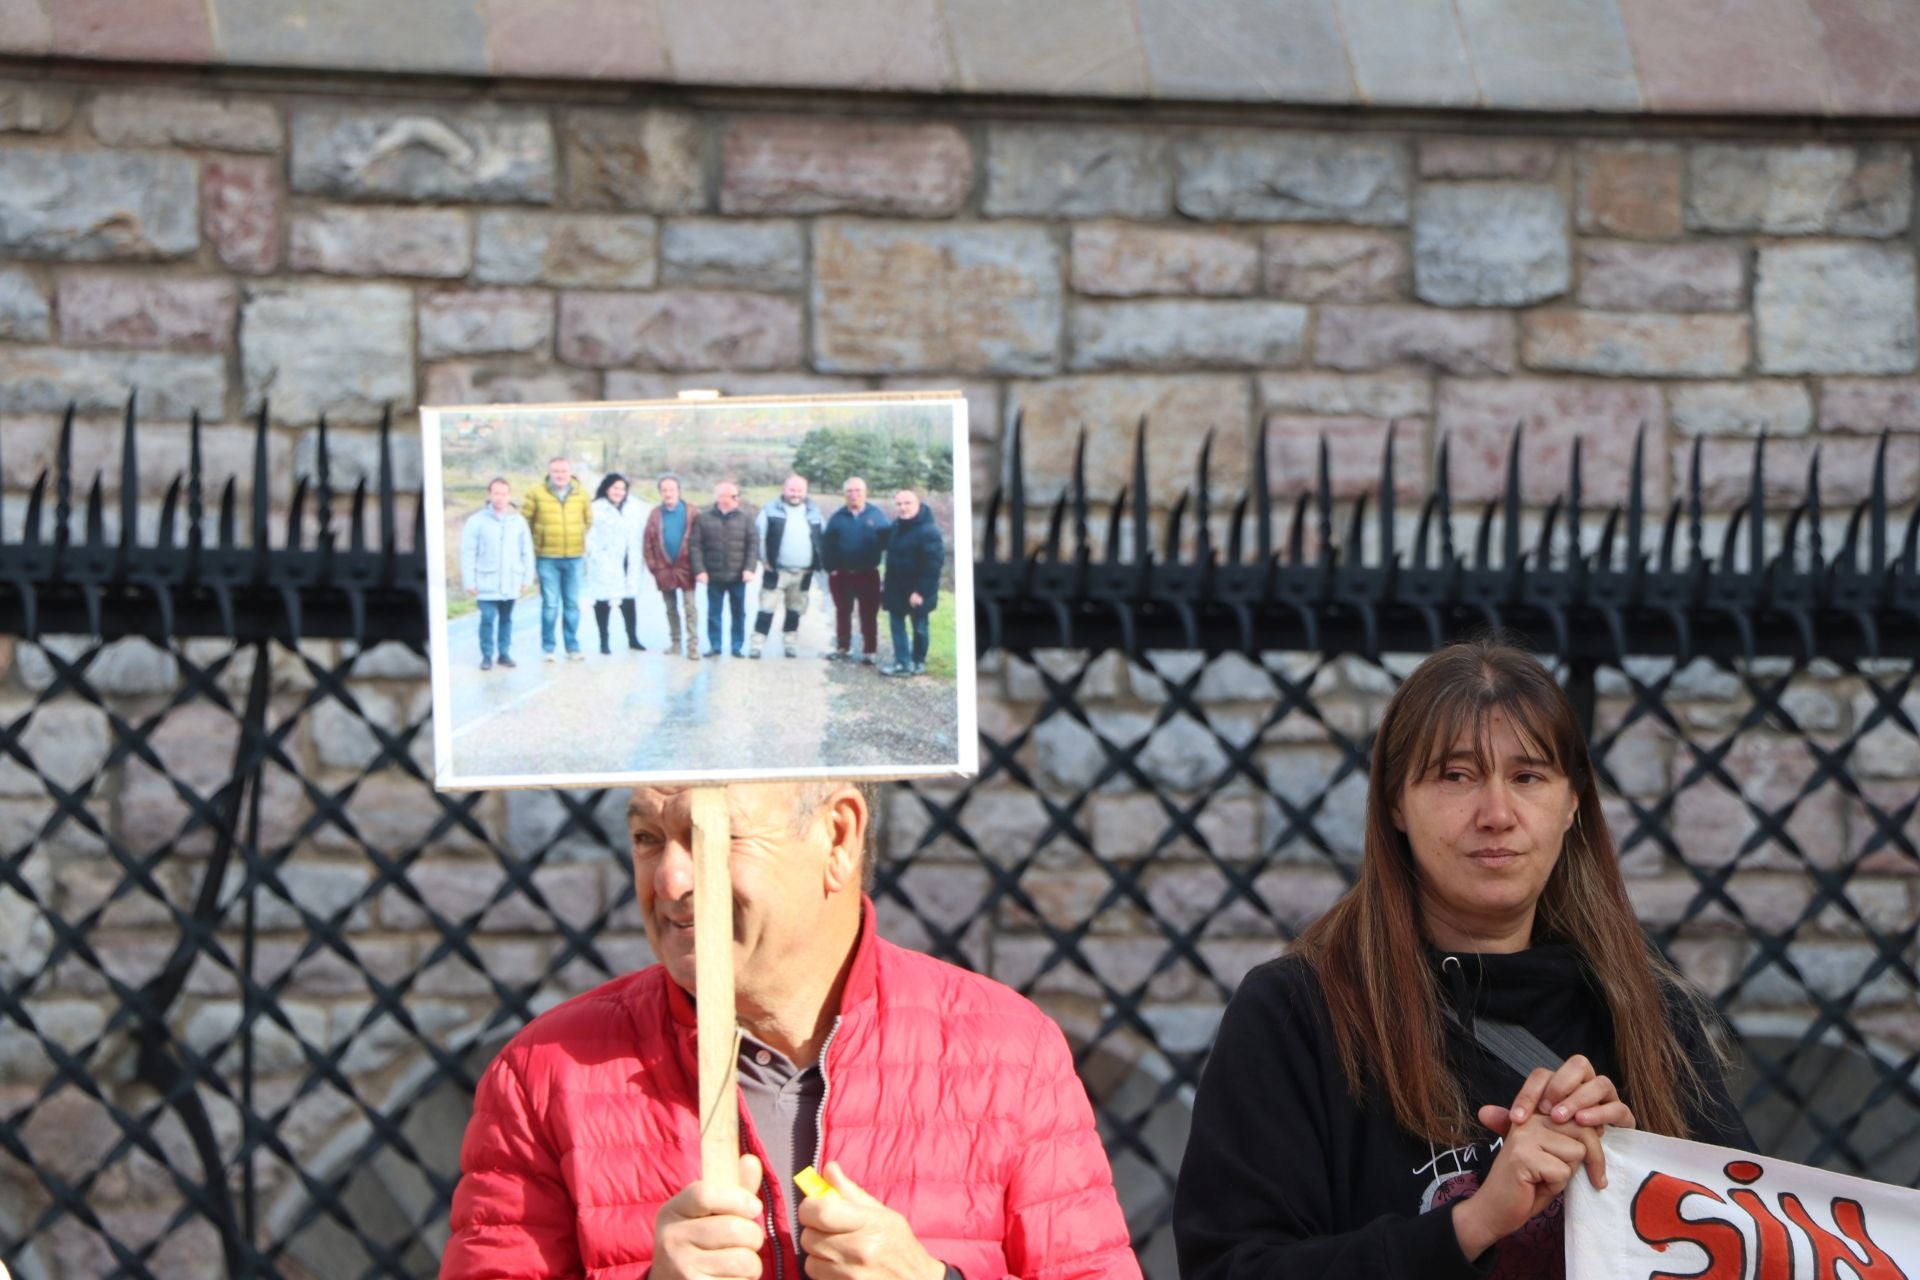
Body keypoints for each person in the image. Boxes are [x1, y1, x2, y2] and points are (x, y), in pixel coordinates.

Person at [1172, 640, 1754, 1280]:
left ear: (1572, 805)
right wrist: (1471, 1226)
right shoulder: (1298, 1014)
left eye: (1528, 776)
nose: (1497, 814)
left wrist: (1641, 1182)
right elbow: (1230, 1269)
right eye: (1456, 776)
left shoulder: (1647, 1015)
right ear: (1395, 802)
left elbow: (1757, 1251)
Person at [442, 780, 1144, 1280]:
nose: (670, 879)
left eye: (711, 834)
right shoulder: (545, 1075)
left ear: (837, 836)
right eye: (647, 839)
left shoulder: (1006, 1051)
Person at [520, 455, 592, 663]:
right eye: (556, 471)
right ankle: (548, 648)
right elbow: (525, 522)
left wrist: (576, 535)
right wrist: (538, 542)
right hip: (547, 558)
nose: (560, 475)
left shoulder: (581, 494)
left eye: (563, 471)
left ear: (570, 473)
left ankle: (572, 647)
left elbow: (588, 521)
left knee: (572, 604)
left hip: (574, 557)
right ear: (549, 473)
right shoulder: (535, 493)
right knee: (550, 604)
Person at [458, 477, 534, 671]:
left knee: (507, 619)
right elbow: (468, 552)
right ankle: (486, 655)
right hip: (486, 581)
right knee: (487, 619)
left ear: (509, 496)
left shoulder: (518, 521)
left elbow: (527, 551)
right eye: (496, 493)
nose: (499, 498)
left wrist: (526, 579)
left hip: (511, 581)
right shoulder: (476, 521)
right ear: (489, 495)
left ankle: (504, 653)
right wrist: (469, 581)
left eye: (503, 493)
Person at [750, 473, 826, 659]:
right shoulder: (769, 510)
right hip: (775, 571)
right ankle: (757, 644)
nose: (796, 494)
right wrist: (764, 561)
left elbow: (823, 540)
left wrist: (818, 563)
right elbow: (758, 537)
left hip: (803, 572)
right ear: (784, 489)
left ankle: (790, 643)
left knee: (794, 610)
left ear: (806, 491)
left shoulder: (814, 513)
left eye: (800, 490)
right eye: (792, 489)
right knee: (766, 609)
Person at [821, 475, 890, 665]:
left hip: (868, 574)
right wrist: (830, 568)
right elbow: (826, 545)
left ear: (865, 493)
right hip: (841, 574)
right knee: (843, 611)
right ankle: (843, 648)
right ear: (844, 494)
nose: (854, 495)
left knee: (868, 614)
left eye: (857, 491)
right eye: (850, 491)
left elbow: (889, 544)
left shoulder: (877, 516)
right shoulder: (837, 517)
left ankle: (870, 651)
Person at [584, 472, 650, 656]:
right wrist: (597, 556)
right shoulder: (595, 508)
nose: (619, 492)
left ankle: (633, 638)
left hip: (629, 559)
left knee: (629, 599)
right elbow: (589, 536)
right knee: (603, 600)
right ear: (607, 488)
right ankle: (604, 641)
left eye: (622, 489)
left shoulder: (633, 508)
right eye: (615, 488)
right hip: (606, 561)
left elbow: (642, 531)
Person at [879, 488, 943, 678]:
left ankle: (918, 661)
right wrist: (885, 584)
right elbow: (890, 559)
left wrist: (920, 592)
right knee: (896, 625)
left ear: (918, 504)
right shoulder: (896, 527)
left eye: (907, 503)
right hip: (895, 588)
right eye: (899, 504)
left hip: (918, 590)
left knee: (920, 628)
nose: (903, 508)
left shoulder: (929, 530)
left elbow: (933, 566)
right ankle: (902, 663)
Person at [690, 481, 758, 658]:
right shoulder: (704, 519)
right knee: (713, 613)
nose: (737, 499)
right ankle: (715, 645)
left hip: (738, 577)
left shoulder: (745, 519)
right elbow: (695, 546)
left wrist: (749, 568)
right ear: (720, 497)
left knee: (738, 613)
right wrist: (700, 570)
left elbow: (753, 545)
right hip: (713, 576)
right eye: (732, 496)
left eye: (737, 495)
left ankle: (737, 646)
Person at [642, 473, 700, 661]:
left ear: (679, 491)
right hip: (664, 568)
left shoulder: (692, 511)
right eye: (664, 490)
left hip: (687, 567)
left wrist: (700, 566)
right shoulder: (655, 514)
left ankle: (693, 646)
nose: (668, 493)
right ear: (660, 492)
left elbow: (701, 539)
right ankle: (676, 643)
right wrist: (654, 567)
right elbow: (648, 543)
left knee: (690, 607)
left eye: (672, 489)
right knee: (670, 607)